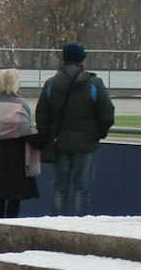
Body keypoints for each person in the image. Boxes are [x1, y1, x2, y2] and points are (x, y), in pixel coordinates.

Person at [34, 42, 115, 216]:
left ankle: (57, 228)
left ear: (64, 59)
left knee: (60, 190)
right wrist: (98, 134)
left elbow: (41, 115)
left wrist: (47, 137)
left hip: (59, 143)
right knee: (82, 190)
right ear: (81, 60)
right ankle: (80, 230)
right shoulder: (94, 83)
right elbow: (107, 113)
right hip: (86, 144)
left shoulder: (51, 84)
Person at [0, 68, 41, 218]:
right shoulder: (20, 104)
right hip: (16, 154)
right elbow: (26, 129)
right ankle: (10, 227)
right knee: (14, 197)